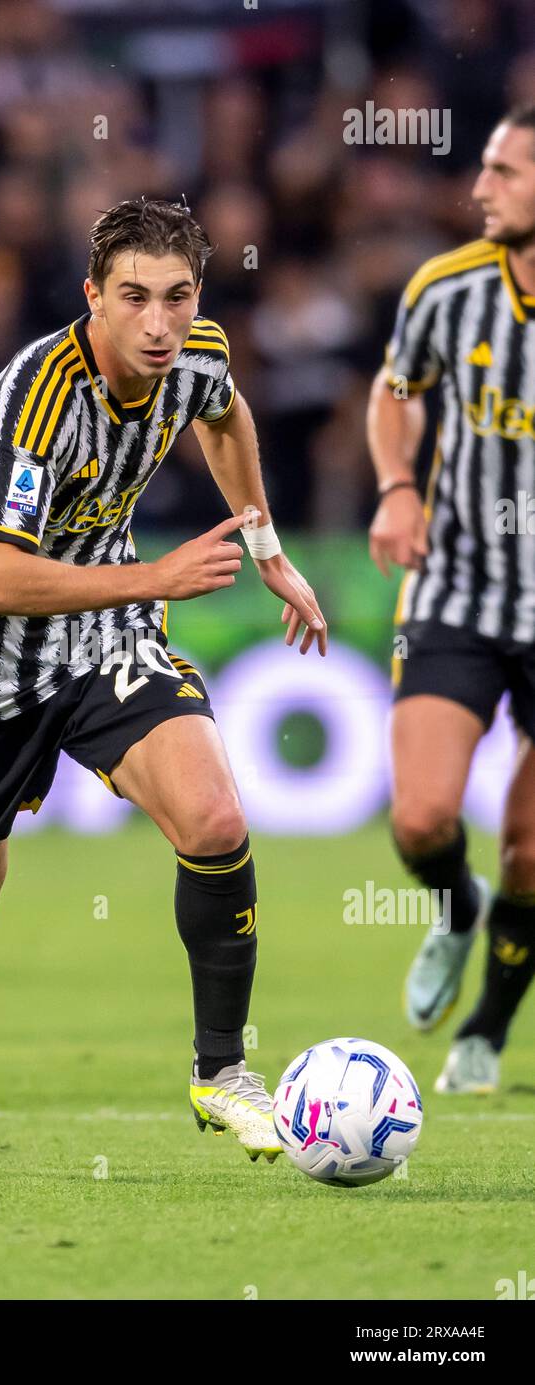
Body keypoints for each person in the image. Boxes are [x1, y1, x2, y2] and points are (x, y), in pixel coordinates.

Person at [0, 197, 328, 1172]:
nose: (159, 322)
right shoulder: (37, 396)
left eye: (176, 296)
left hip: (105, 633)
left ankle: (220, 1069)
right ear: (93, 296)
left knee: (213, 818)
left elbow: (224, 412)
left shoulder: (195, 353)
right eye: (133, 297)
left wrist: (264, 545)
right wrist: (157, 577)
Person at [367, 108, 535, 1094]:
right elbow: (394, 391)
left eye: (505, 171)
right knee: (422, 820)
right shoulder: (446, 286)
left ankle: (484, 1029)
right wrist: (396, 488)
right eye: (482, 165)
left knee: (529, 851)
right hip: (460, 587)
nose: (480, 186)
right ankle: (454, 908)